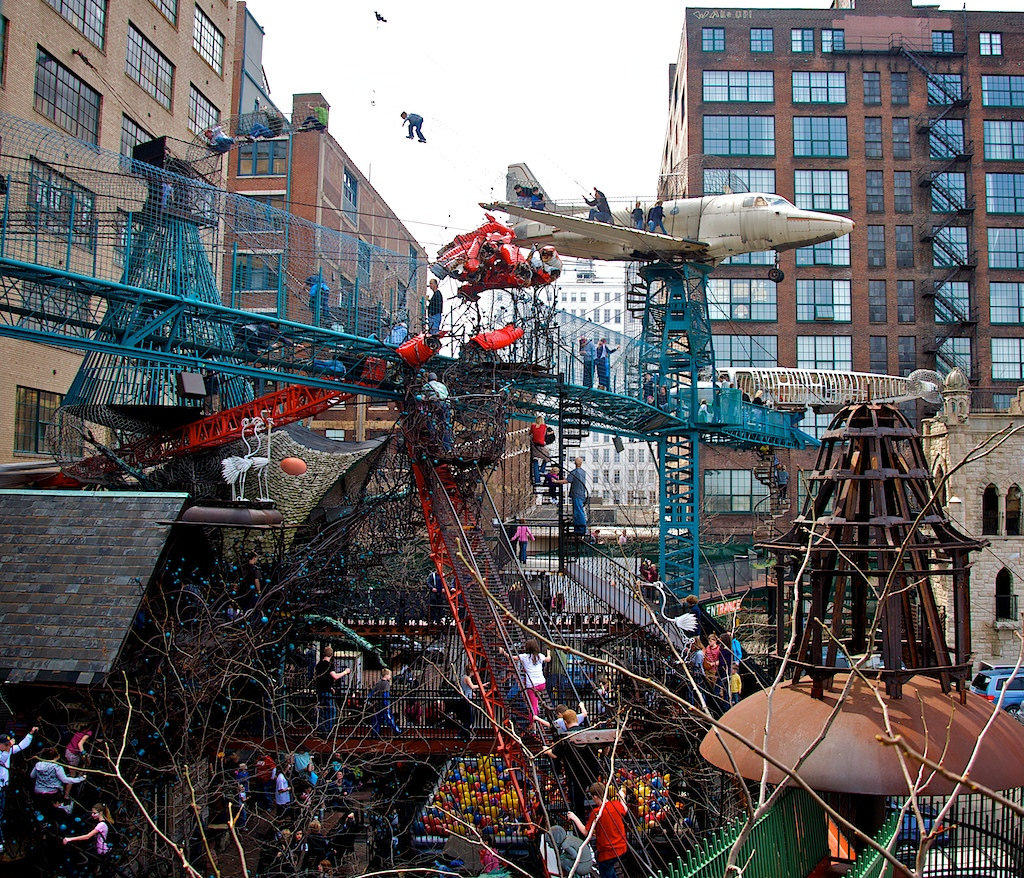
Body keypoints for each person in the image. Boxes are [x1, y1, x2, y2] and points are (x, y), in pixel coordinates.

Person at [567, 783, 629, 878]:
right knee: (610, 869)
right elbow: (625, 808)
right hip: (621, 848)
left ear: (595, 796)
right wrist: (621, 797)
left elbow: (585, 832)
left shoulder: (596, 813)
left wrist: (574, 817)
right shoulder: (615, 805)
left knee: (605, 871)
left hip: (607, 853)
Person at [0, 726, 36, 853]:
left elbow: (21, 746)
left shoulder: (7, 750)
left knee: (1, 814)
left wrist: (30, 734)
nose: (7, 746)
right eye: (5, 744)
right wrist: (9, 747)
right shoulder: (4, 752)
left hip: (3, 787)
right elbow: (3, 759)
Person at [31, 747, 84, 816]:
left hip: (38, 791)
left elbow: (32, 776)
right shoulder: (57, 767)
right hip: (52, 793)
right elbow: (65, 780)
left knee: (41, 810)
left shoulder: (38, 764)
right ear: (57, 756)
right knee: (52, 811)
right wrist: (80, 779)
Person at [314, 647, 352, 737]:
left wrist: (329, 687)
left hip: (320, 690)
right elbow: (334, 676)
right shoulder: (328, 665)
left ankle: (321, 730)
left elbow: (321, 678)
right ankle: (328, 731)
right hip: (326, 691)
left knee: (322, 711)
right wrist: (345, 672)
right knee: (331, 711)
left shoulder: (319, 664)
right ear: (331, 655)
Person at [515, 638, 551, 722]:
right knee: (536, 701)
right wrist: (548, 653)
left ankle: (534, 725)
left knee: (533, 706)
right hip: (542, 683)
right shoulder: (540, 656)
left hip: (532, 685)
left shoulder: (524, 657)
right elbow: (548, 659)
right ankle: (538, 705)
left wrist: (504, 653)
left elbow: (512, 657)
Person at [369, 669, 402, 736]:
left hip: (377, 704)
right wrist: (387, 705)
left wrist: (370, 701)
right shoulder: (386, 684)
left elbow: (371, 693)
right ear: (386, 675)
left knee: (376, 720)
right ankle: (397, 731)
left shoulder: (377, 683)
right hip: (384, 705)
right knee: (389, 718)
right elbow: (386, 695)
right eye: (389, 675)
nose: (390, 677)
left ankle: (375, 733)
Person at [565, 457, 589, 537]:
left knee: (578, 511)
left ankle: (581, 529)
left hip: (576, 494)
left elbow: (567, 481)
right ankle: (580, 528)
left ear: (575, 463)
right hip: (581, 494)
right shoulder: (583, 472)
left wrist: (555, 481)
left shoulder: (574, 472)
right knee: (579, 511)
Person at [530, 415, 553, 484]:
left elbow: (530, 433)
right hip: (541, 445)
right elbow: (547, 434)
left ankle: (537, 480)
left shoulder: (533, 426)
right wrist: (551, 433)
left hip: (534, 445)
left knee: (535, 461)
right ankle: (542, 470)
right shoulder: (544, 427)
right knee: (547, 457)